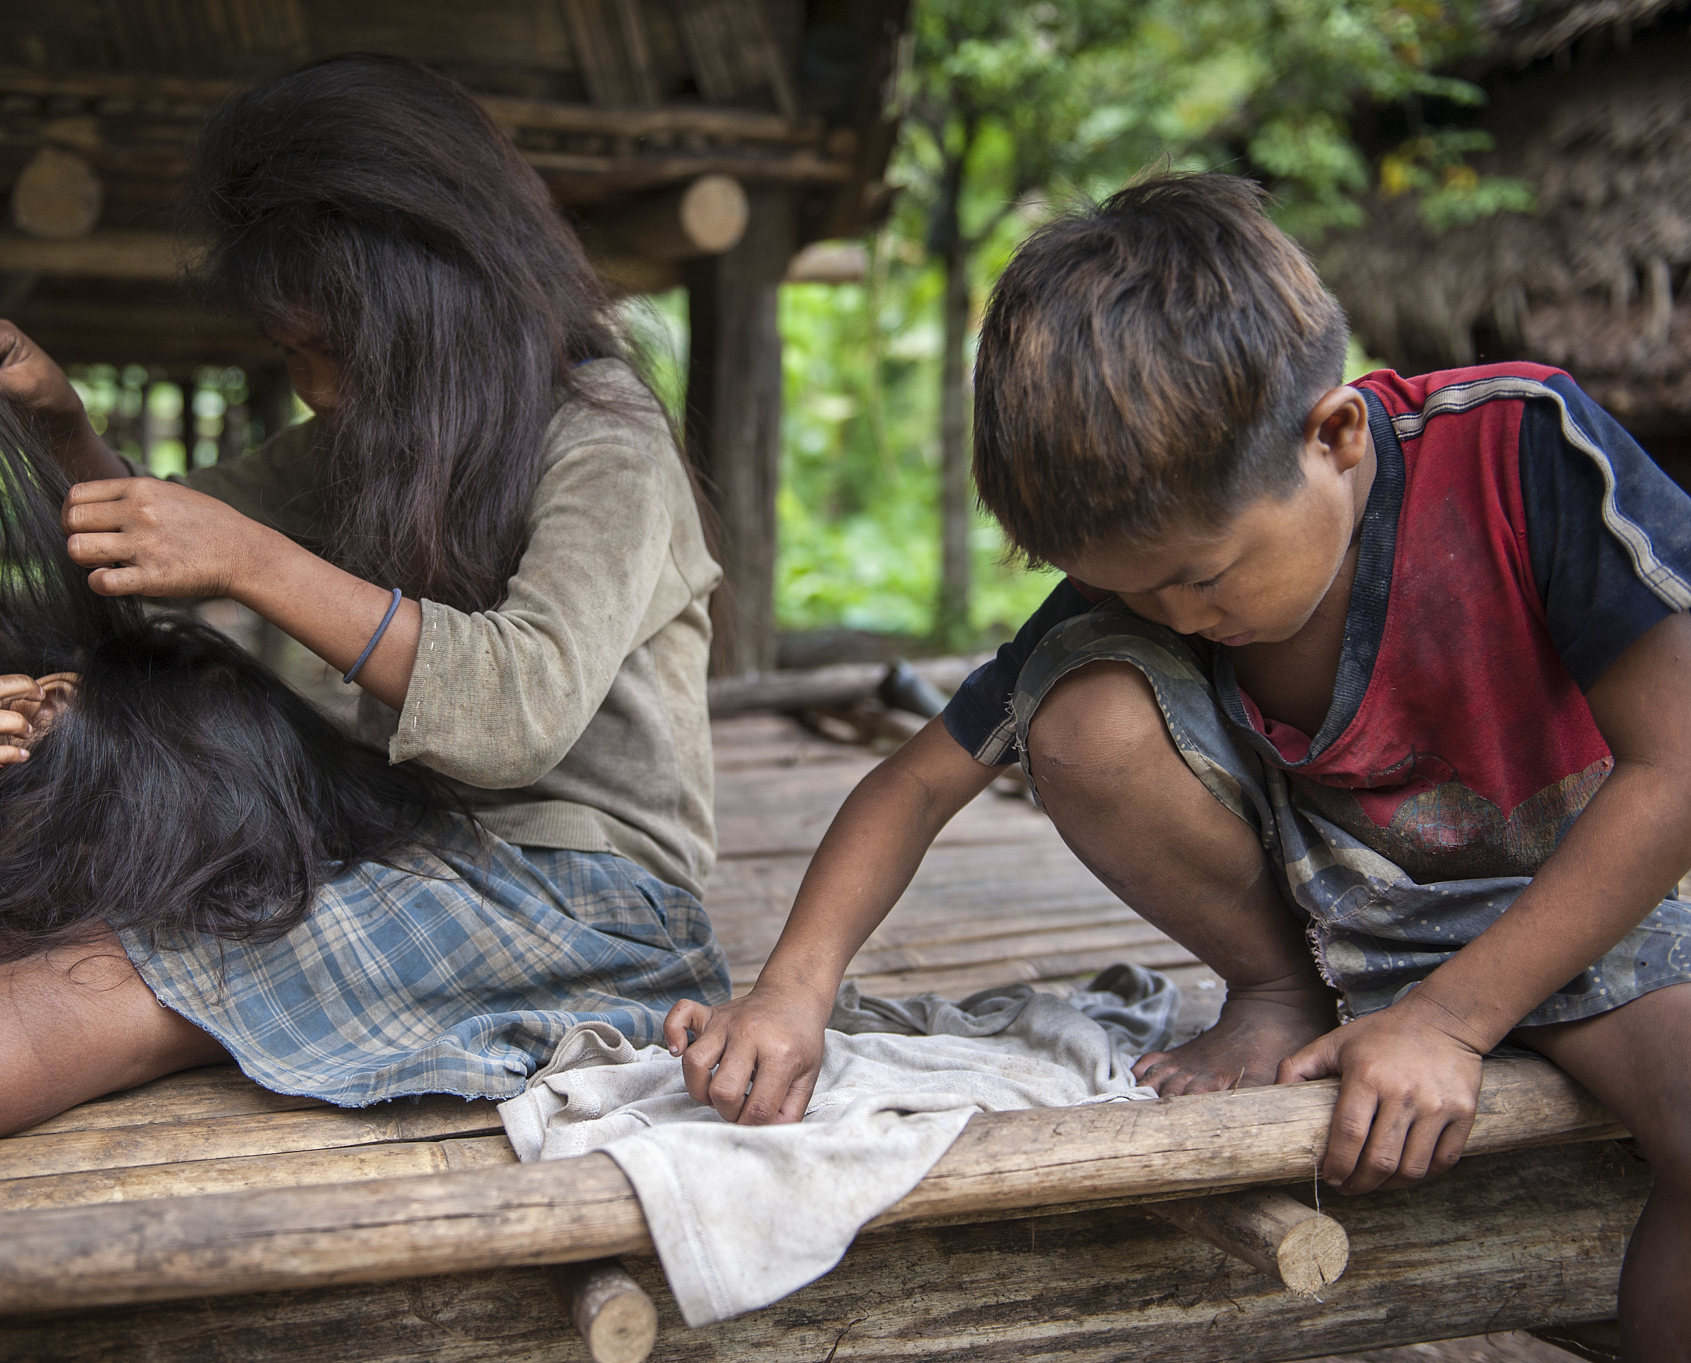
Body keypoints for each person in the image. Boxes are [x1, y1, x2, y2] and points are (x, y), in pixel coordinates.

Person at [0, 54, 728, 1197]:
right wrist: (63, 429)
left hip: (594, 913)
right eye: (295, 352)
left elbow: (518, 710)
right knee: (0, 952)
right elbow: (173, 541)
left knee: (93, 995)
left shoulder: (605, 440)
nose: (312, 385)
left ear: (430, 310)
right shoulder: (391, 433)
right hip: (417, 842)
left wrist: (256, 563)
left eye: (329, 348)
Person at [666, 173, 1690, 1358]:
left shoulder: (1521, 449)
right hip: (1340, 930)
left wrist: (1450, 1020)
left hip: (1580, 906)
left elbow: (1673, 771)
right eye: (1130, 587)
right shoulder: (1151, 571)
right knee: (1080, 709)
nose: (1174, 614)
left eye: (1200, 577)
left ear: (1335, 434)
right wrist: (790, 993)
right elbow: (910, 784)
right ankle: (1275, 988)